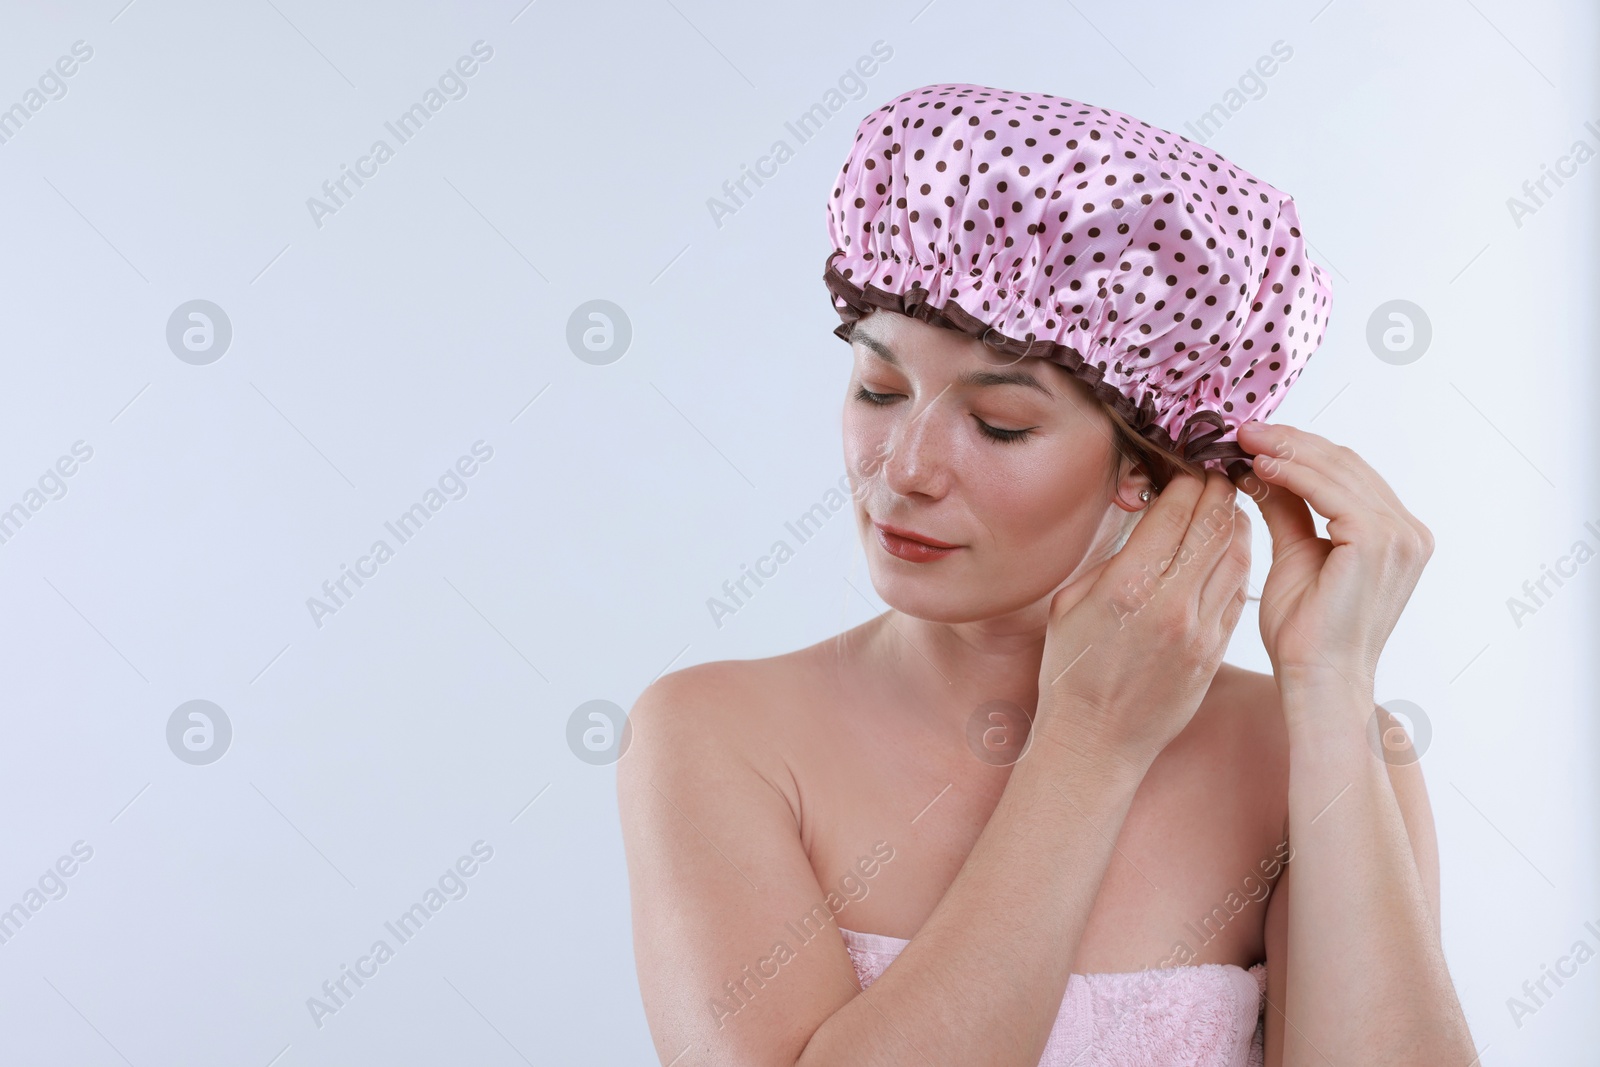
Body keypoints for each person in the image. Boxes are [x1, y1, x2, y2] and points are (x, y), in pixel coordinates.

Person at [618, 83, 1475, 1066]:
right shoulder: (715, 732)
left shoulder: (1314, 751)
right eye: (878, 387)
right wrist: (1085, 746)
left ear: (1148, 467)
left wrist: (1327, 690)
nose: (902, 468)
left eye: (1000, 423)